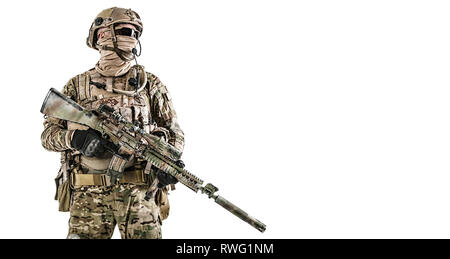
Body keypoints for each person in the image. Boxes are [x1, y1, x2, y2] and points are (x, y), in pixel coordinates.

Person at [41, 7, 184, 239]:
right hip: (88, 195)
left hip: (140, 195)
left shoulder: (150, 84)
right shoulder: (76, 86)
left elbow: (174, 132)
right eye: (125, 31)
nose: (132, 37)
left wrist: (169, 162)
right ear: (102, 35)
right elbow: (47, 136)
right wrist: (74, 139)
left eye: (136, 33)